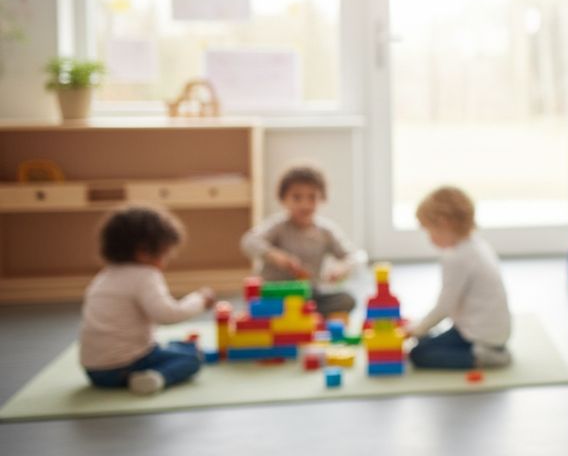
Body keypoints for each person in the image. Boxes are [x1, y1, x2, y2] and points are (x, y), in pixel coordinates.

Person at [81, 206, 217, 395]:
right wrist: (200, 300)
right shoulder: (145, 275)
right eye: (166, 253)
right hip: (125, 366)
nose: (167, 260)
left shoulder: (104, 276)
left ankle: (151, 370)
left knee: (175, 345)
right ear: (144, 251)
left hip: (94, 371)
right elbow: (168, 315)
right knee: (192, 359)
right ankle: (156, 377)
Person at [241, 165, 367, 316]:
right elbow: (249, 241)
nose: (305, 204)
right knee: (259, 305)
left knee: (347, 300)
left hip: (308, 295)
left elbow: (357, 256)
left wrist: (343, 267)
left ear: (321, 198)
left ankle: (305, 315)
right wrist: (274, 255)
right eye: (296, 197)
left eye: (312, 197)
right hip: (276, 294)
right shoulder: (278, 226)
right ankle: (299, 316)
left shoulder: (325, 231)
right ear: (283, 199)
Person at [409, 186, 513, 369]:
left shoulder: (456, 257)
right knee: (425, 341)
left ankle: (485, 357)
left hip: (479, 337)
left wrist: (418, 329)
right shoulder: (476, 244)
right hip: (489, 332)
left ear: (444, 223)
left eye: (429, 231)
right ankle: (491, 350)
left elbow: (445, 306)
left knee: (419, 354)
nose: (429, 238)